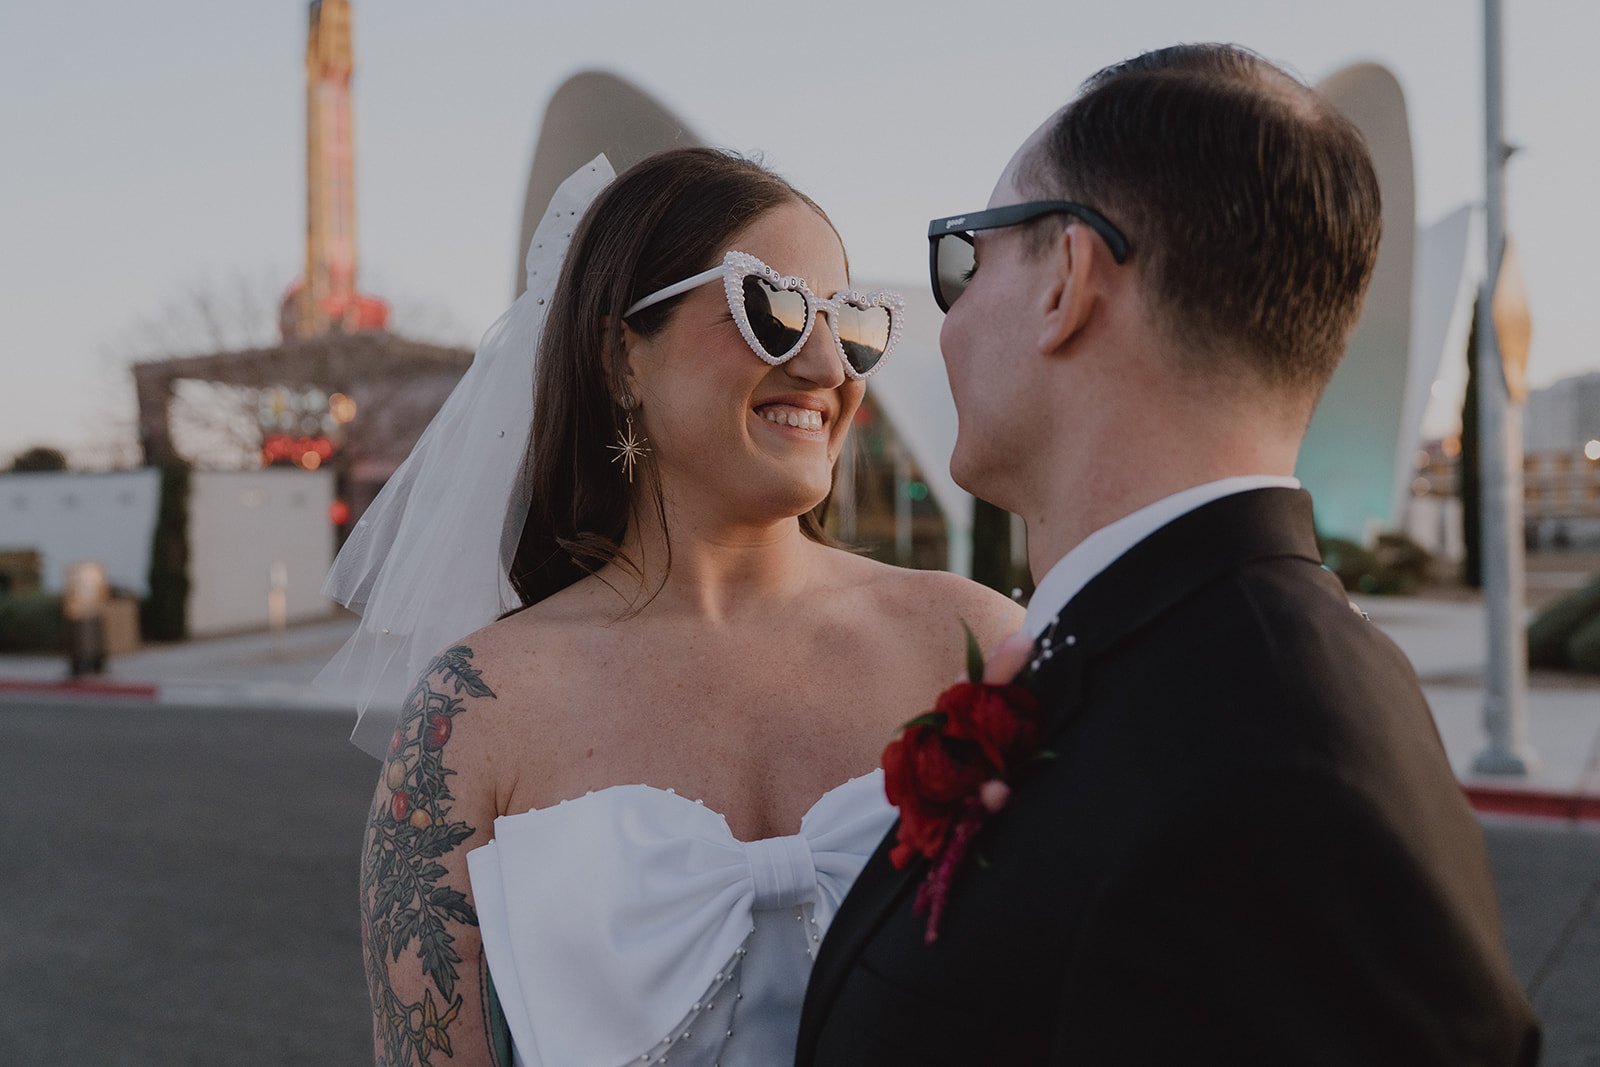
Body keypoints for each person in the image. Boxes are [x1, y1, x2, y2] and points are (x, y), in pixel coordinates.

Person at [798, 44, 1541, 1065]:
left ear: (1068, 279)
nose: (953, 313)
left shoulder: (1276, 780)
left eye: (966, 255)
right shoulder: (1216, 664)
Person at [328, 147, 1022, 1066]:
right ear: (623, 356)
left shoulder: (975, 644)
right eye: (770, 307)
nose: (826, 364)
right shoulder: (473, 716)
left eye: (851, 322)